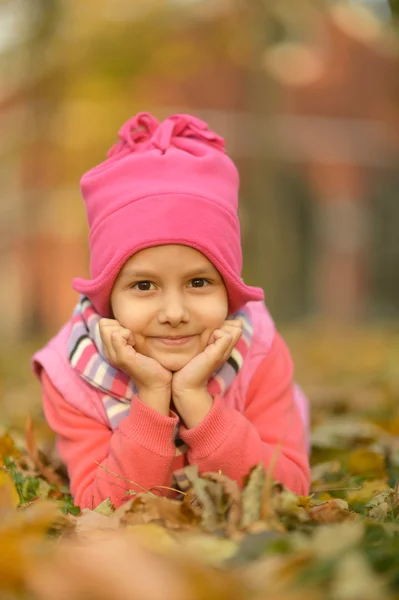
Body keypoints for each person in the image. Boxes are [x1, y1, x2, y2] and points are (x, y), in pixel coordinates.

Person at [32, 112, 310, 510]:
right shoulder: (74, 377)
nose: (175, 312)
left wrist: (195, 400)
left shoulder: (260, 351)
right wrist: (152, 395)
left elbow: (288, 493)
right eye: (144, 286)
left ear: (229, 289)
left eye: (199, 282)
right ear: (109, 300)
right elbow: (107, 508)